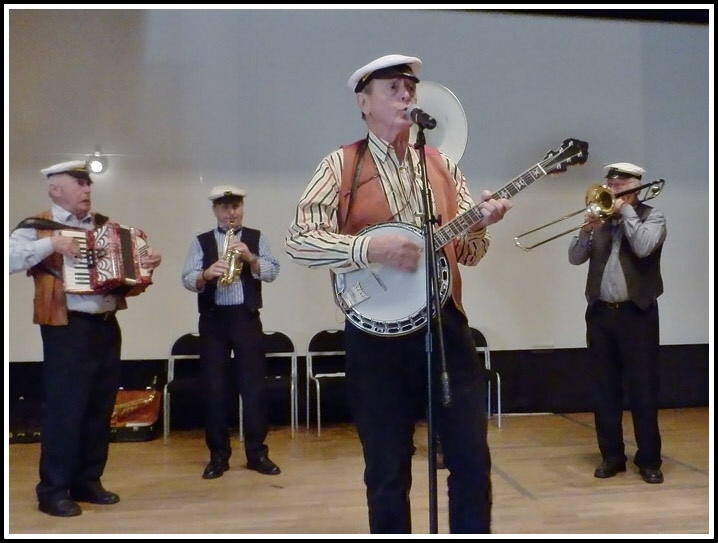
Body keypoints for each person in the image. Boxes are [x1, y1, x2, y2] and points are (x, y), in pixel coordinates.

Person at [285, 53, 513, 534]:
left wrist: (480, 225)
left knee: (471, 460)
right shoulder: (340, 165)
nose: (406, 94)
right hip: (375, 339)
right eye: (393, 87)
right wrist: (369, 248)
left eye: (410, 87)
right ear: (363, 102)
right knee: (386, 469)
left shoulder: (442, 165)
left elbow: (470, 254)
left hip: (445, 327)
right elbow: (299, 241)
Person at [8, 160, 163, 517]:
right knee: (65, 409)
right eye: (78, 183)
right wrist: (52, 245)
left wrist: (146, 263)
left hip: (106, 325)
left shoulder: (105, 227)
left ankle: (88, 480)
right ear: (55, 189)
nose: (87, 189)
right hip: (67, 328)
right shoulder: (38, 226)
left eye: (88, 184)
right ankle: (53, 490)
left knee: (99, 407)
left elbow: (126, 274)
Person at [568, 162, 667, 484]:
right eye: (610, 183)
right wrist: (586, 230)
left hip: (637, 314)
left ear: (636, 185)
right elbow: (575, 258)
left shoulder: (652, 217)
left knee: (643, 390)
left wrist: (626, 213)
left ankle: (649, 460)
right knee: (604, 389)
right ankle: (612, 457)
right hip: (600, 314)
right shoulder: (600, 218)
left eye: (620, 183)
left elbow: (644, 247)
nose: (612, 187)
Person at [181, 185, 281, 480]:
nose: (231, 212)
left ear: (242, 208)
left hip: (246, 318)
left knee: (254, 387)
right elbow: (186, 278)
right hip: (213, 320)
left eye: (235, 206)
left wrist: (251, 258)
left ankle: (257, 454)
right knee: (214, 388)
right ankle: (218, 456)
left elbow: (273, 272)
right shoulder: (201, 241)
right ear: (215, 210)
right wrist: (204, 274)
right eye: (224, 207)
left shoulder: (256, 238)